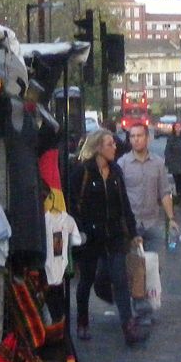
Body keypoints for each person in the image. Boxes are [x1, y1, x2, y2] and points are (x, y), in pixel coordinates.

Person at [69, 130, 146, 346]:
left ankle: (128, 326)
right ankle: (82, 321)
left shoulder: (115, 172)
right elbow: (73, 205)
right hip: (91, 237)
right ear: (98, 148)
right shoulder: (82, 172)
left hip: (114, 235)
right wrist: (82, 230)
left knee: (120, 280)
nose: (115, 147)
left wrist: (133, 233)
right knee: (86, 280)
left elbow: (124, 205)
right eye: (110, 144)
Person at [117, 123, 177, 323]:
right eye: (132, 136)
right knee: (136, 268)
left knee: (155, 266)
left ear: (147, 138)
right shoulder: (123, 163)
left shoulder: (158, 163)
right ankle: (141, 309)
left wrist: (171, 218)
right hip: (132, 225)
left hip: (152, 222)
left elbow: (165, 192)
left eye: (139, 136)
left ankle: (147, 301)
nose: (136, 139)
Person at [164, 121, 181, 207]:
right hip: (174, 163)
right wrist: (168, 162)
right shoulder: (171, 138)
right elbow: (167, 151)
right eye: (176, 127)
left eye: (179, 127)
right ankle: (179, 198)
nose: (178, 128)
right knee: (177, 181)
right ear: (174, 128)